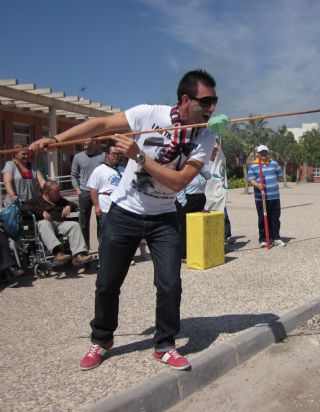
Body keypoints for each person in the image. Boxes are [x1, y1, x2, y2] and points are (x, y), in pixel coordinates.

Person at [30, 69, 222, 371]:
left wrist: (138, 156)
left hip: (163, 218)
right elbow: (101, 124)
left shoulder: (205, 138)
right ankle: (102, 338)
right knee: (107, 282)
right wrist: (55, 139)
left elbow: (178, 183)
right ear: (185, 100)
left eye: (215, 102)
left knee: (170, 284)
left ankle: (165, 345)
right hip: (123, 213)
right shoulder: (150, 115)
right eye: (206, 102)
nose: (211, 109)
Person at [21, 180, 94, 265]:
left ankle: (78, 255)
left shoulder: (59, 200)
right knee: (43, 223)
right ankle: (57, 253)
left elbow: (74, 205)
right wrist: (40, 212)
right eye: (56, 192)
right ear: (47, 192)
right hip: (45, 226)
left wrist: (68, 206)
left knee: (74, 225)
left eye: (59, 191)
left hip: (60, 224)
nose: (59, 194)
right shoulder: (36, 201)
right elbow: (23, 208)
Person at [247, 145, 285, 247]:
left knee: (275, 218)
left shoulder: (273, 163)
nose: (264, 154)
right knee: (263, 218)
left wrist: (273, 180)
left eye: (265, 152)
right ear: (257, 154)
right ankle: (263, 239)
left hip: (274, 197)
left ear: (268, 153)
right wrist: (258, 185)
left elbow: (280, 176)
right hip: (261, 198)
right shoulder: (253, 166)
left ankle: (276, 238)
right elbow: (251, 179)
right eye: (261, 152)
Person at [71, 138, 105, 249]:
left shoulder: (103, 155)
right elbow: (74, 174)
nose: (83, 142)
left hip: (100, 193)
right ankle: (85, 248)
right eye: (83, 140)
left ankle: (102, 247)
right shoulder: (78, 157)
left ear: (95, 142)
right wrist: (77, 189)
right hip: (84, 192)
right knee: (84, 222)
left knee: (101, 221)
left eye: (86, 140)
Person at [87, 143, 124, 238]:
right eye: (114, 154)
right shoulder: (99, 170)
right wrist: (96, 206)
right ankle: (102, 251)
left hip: (120, 207)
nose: (116, 156)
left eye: (118, 154)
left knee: (118, 233)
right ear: (107, 155)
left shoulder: (122, 170)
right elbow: (93, 189)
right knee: (104, 232)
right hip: (105, 206)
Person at [176, 164, 211, 259]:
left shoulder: (200, 171)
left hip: (200, 199)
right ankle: (183, 253)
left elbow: (209, 176)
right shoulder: (184, 170)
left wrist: (201, 166)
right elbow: (180, 186)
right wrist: (183, 202)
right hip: (188, 200)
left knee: (196, 227)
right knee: (185, 227)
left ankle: (195, 249)